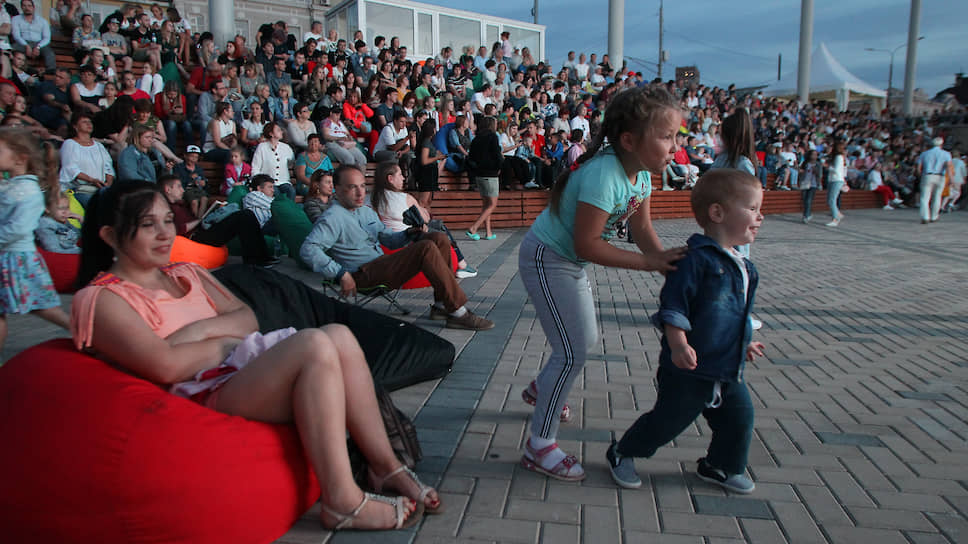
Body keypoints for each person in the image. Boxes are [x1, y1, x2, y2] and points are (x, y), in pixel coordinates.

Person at [71, 181, 434, 531]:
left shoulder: (187, 272)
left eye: (168, 220)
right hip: (198, 395)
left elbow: (246, 319)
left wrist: (192, 335)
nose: (166, 233)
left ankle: (385, 466)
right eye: (148, 225)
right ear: (109, 236)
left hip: (233, 372)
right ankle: (341, 500)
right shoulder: (103, 297)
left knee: (338, 334)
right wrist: (222, 342)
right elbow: (164, 364)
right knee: (312, 344)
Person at [516, 87, 687, 482]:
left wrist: (663, 265)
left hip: (566, 261)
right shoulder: (603, 177)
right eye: (666, 136)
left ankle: (542, 390)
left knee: (580, 344)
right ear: (630, 140)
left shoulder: (641, 174)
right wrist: (648, 264)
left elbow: (641, 228)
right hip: (548, 258)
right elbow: (587, 244)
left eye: (676, 136)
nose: (674, 146)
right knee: (573, 351)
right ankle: (538, 447)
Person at [606, 169, 765, 495]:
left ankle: (719, 465)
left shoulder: (745, 266)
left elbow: (736, 313)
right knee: (669, 420)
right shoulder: (694, 261)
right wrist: (678, 344)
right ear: (718, 213)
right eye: (752, 208)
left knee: (739, 418)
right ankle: (623, 451)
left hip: (726, 366)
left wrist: (743, 342)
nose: (760, 216)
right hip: (689, 369)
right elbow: (674, 306)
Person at [300, 165, 494, 331]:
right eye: (352, 188)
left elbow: (389, 239)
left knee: (438, 238)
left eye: (361, 186)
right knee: (425, 248)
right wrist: (340, 273)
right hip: (361, 274)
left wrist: (409, 233)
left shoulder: (364, 212)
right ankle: (457, 312)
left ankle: (441, 304)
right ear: (338, 189)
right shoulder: (332, 217)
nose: (360, 193)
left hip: (380, 265)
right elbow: (308, 249)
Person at [0, 129, 70, 352]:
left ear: (21, 158)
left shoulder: (29, 191)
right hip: (6, 256)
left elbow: (19, 228)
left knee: (42, 306)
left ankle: (83, 332)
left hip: (17, 259)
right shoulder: (11, 185)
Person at [369, 161, 477, 279]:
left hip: (383, 242)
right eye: (400, 175)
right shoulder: (405, 198)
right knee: (439, 227)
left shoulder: (369, 198)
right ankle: (462, 264)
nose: (403, 178)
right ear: (390, 178)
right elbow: (425, 219)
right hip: (405, 240)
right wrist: (422, 209)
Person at [159, 175, 277, 267]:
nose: (182, 190)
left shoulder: (180, 205)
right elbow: (177, 230)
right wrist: (200, 220)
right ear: (168, 189)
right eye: (179, 187)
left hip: (204, 229)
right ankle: (255, 260)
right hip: (197, 237)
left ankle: (262, 257)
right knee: (243, 216)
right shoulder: (166, 208)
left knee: (246, 215)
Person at [58, 111, 114, 205]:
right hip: (79, 189)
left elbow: (108, 167)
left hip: (99, 188)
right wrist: (91, 180)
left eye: (90, 122)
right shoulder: (70, 144)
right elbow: (70, 169)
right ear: (75, 127)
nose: (89, 124)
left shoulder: (99, 146)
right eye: (84, 122)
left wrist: (108, 183)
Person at [465, 116, 502, 240]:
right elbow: (497, 154)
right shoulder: (493, 137)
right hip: (490, 173)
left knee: (486, 204)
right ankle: (474, 227)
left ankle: (488, 232)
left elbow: (471, 157)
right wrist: (499, 166)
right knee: (492, 204)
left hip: (479, 174)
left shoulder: (476, 139)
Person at [251, 122, 296, 200]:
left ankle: (289, 210)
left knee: (290, 191)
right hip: (268, 182)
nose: (281, 132)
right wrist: (259, 182)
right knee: (275, 192)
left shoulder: (286, 147)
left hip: (283, 182)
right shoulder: (262, 147)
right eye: (278, 130)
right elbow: (255, 167)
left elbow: (292, 162)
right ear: (271, 134)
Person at [915, 137, 952, 224]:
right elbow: (948, 166)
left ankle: (925, 216)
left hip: (927, 175)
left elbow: (918, 168)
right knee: (937, 197)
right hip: (940, 176)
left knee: (925, 197)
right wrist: (950, 178)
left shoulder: (924, 153)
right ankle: (934, 216)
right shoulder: (946, 154)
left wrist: (921, 176)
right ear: (941, 144)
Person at [10, 0, 55, 71]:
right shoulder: (16, 19)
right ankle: (13, 70)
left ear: (33, 7)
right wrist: (26, 46)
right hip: (22, 43)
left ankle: (50, 72)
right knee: (11, 49)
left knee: (50, 53)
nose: (27, 8)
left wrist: (38, 47)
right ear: (21, 7)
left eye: (29, 6)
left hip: (39, 43)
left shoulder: (43, 21)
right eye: (24, 6)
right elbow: (16, 36)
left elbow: (47, 38)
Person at [34, 189, 82, 254]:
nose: (65, 212)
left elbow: (79, 235)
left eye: (67, 208)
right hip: (61, 256)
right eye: (60, 208)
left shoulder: (63, 221)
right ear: (47, 209)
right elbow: (54, 250)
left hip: (72, 251)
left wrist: (81, 220)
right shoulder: (45, 224)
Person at [412, 118, 445, 209]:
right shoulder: (426, 142)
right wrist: (437, 157)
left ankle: (427, 220)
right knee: (423, 201)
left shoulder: (428, 142)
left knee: (429, 200)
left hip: (430, 173)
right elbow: (424, 160)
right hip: (426, 174)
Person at [173, 145, 208, 217]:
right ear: (185, 156)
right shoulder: (179, 167)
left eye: (196, 157)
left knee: (204, 199)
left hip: (197, 189)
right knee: (194, 202)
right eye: (191, 156)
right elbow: (178, 182)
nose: (193, 159)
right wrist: (190, 179)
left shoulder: (198, 169)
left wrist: (203, 183)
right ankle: (194, 219)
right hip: (186, 189)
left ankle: (200, 219)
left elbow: (204, 180)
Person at [825, 141, 847, 227]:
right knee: (829, 199)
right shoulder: (836, 157)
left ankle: (835, 218)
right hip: (832, 180)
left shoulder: (839, 157)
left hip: (836, 180)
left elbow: (836, 170)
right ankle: (837, 214)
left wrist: (828, 167)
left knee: (832, 200)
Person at [798, 149, 822, 223]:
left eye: (815, 155)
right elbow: (800, 171)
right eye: (812, 154)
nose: (814, 156)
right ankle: (807, 213)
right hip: (805, 183)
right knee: (805, 200)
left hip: (813, 184)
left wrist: (816, 171)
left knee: (809, 200)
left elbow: (820, 174)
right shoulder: (805, 163)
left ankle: (806, 215)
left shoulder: (818, 164)